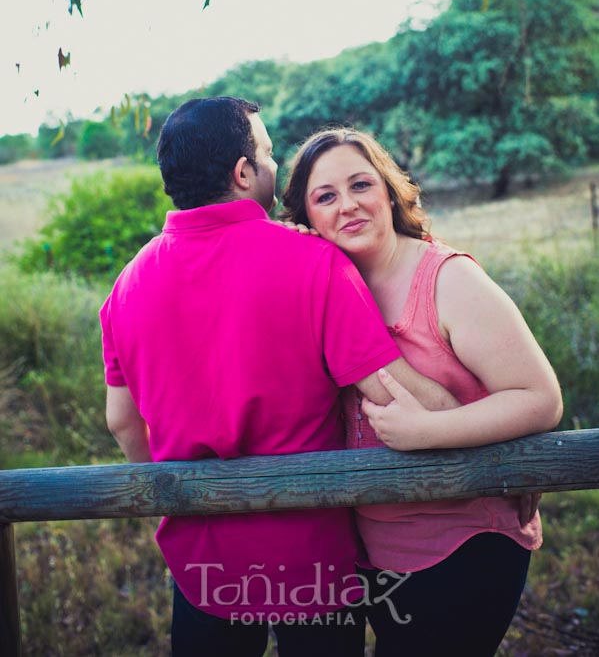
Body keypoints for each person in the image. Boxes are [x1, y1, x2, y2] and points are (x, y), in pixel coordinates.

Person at [99, 97, 458, 657]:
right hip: (309, 561)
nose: (273, 165)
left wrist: (181, 493)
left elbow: (121, 421)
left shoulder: (127, 284)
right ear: (244, 173)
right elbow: (395, 392)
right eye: (267, 154)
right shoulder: (313, 261)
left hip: (201, 562)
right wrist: (490, 419)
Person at [281, 126, 563, 657]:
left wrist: (431, 430)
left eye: (361, 185)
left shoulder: (447, 280)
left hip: (463, 541)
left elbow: (540, 397)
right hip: (370, 549)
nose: (348, 206)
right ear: (306, 218)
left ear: (389, 190)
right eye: (326, 197)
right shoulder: (324, 284)